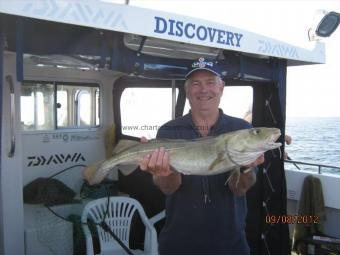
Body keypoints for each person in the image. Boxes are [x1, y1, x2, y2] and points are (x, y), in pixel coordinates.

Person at [139, 58, 264, 255]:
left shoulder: (241, 129)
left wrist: (246, 168)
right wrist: (164, 174)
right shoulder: (169, 130)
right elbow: (169, 189)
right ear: (187, 91)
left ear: (221, 88)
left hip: (230, 245)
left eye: (210, 82)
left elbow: (239, 190)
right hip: (179, 244)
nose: (203, 89)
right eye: (196, 84)